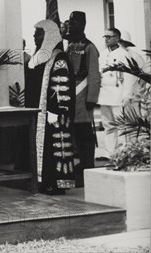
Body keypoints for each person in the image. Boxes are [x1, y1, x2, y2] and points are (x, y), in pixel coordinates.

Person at [24, 20, 76, 194]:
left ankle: (53, 184)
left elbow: (62, 86)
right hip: (36, 113)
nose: (34, 36)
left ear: (48, 35)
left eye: (39, 33)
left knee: (52, 148)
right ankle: (38, 182)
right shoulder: (37, 57)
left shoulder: (59, 58)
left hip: (52, 114)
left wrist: (55, 110)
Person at [66, 11, 100, 187]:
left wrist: (92, 97)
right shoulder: (70, 45)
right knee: (75, 130)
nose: (71, 26)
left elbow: (94, 73)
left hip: (83, 94)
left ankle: (88, 163)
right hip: (72, 93)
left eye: (74, 23)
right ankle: (81, 163)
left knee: (85, 131)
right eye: (70, 23)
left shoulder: (89, 47)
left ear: (82, 24)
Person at [98, 28, 138, 159]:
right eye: (105, 37)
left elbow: (130, 76)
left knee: (122, 125)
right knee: (108, 125)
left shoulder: (124, 54)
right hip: (104, 94)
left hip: (118, 93)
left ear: (117, 38)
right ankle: (110, 153)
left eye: (109, 37)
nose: (107, 39)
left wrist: (127, 95)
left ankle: (125, 152)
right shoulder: (103, 54)